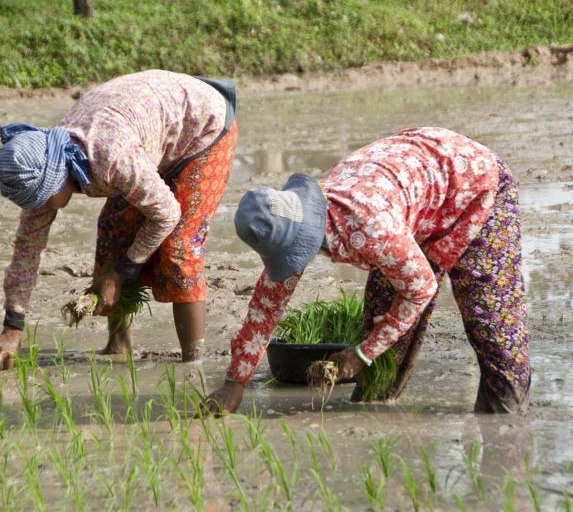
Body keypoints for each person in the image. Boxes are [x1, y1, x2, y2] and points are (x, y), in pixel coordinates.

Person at [204, 127, 530, 414]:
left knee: (489, 315)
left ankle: (505, 417)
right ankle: (376, 405)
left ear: (307, 231)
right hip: (416, 192)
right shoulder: (292, 224)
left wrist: (361, 354)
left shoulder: (370, 228)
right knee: (384, 309)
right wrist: (235, 382)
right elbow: (265, 310)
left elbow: (421, 289)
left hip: (475, 182)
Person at [0, 69, 237, 371]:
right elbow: (26, 249)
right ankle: (119, 343)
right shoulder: (45, 161)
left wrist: (118, 274)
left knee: (179, 245)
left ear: (57, 179)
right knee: (113, 228)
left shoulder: (111, 158)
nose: (37, 208)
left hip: (203, 126)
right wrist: (12, 328)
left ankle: (192, 363)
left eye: (42, 200)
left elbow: (167, 213)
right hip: (145, 128)